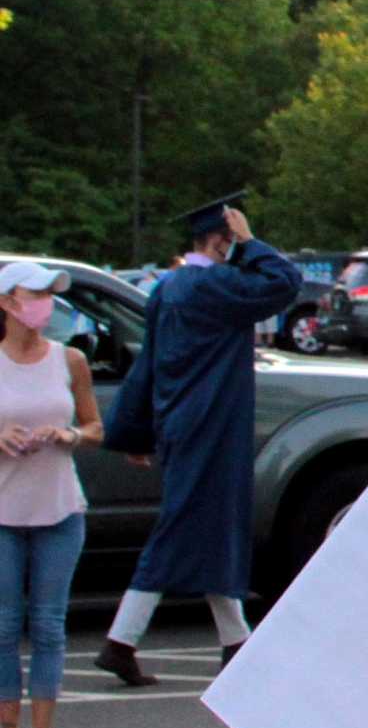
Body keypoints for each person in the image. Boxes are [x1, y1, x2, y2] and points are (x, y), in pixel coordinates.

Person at [96, 199, 302, 684]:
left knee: (209, 526)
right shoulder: (215, 285)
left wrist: (137, 430)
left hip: (179, 422)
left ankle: (237, 643)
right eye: (231, 240)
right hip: (212, 424)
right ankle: (120, 640)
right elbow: (283, 284)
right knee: (184, 526)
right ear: (220, 240)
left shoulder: (167, 288)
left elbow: (147, 365)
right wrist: (252, 242)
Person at [0, 262, 102, 728]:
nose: (44, 302)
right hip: (2, 512)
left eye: (49, 294)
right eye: (33, 292)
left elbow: (94, 426)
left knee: (48, 624)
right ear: (6, 301)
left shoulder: (70, 359)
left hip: (60, 509)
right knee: (2, 625)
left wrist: (72, 437)